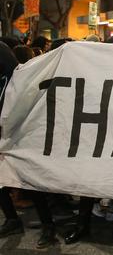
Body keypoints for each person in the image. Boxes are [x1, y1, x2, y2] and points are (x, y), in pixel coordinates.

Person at [0, 42, 58, 248]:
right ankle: (12, 219)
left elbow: (17, 88)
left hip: (17, 128)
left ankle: (48, 226)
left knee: (29, 178)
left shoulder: (9, 69)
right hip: (5, 127)